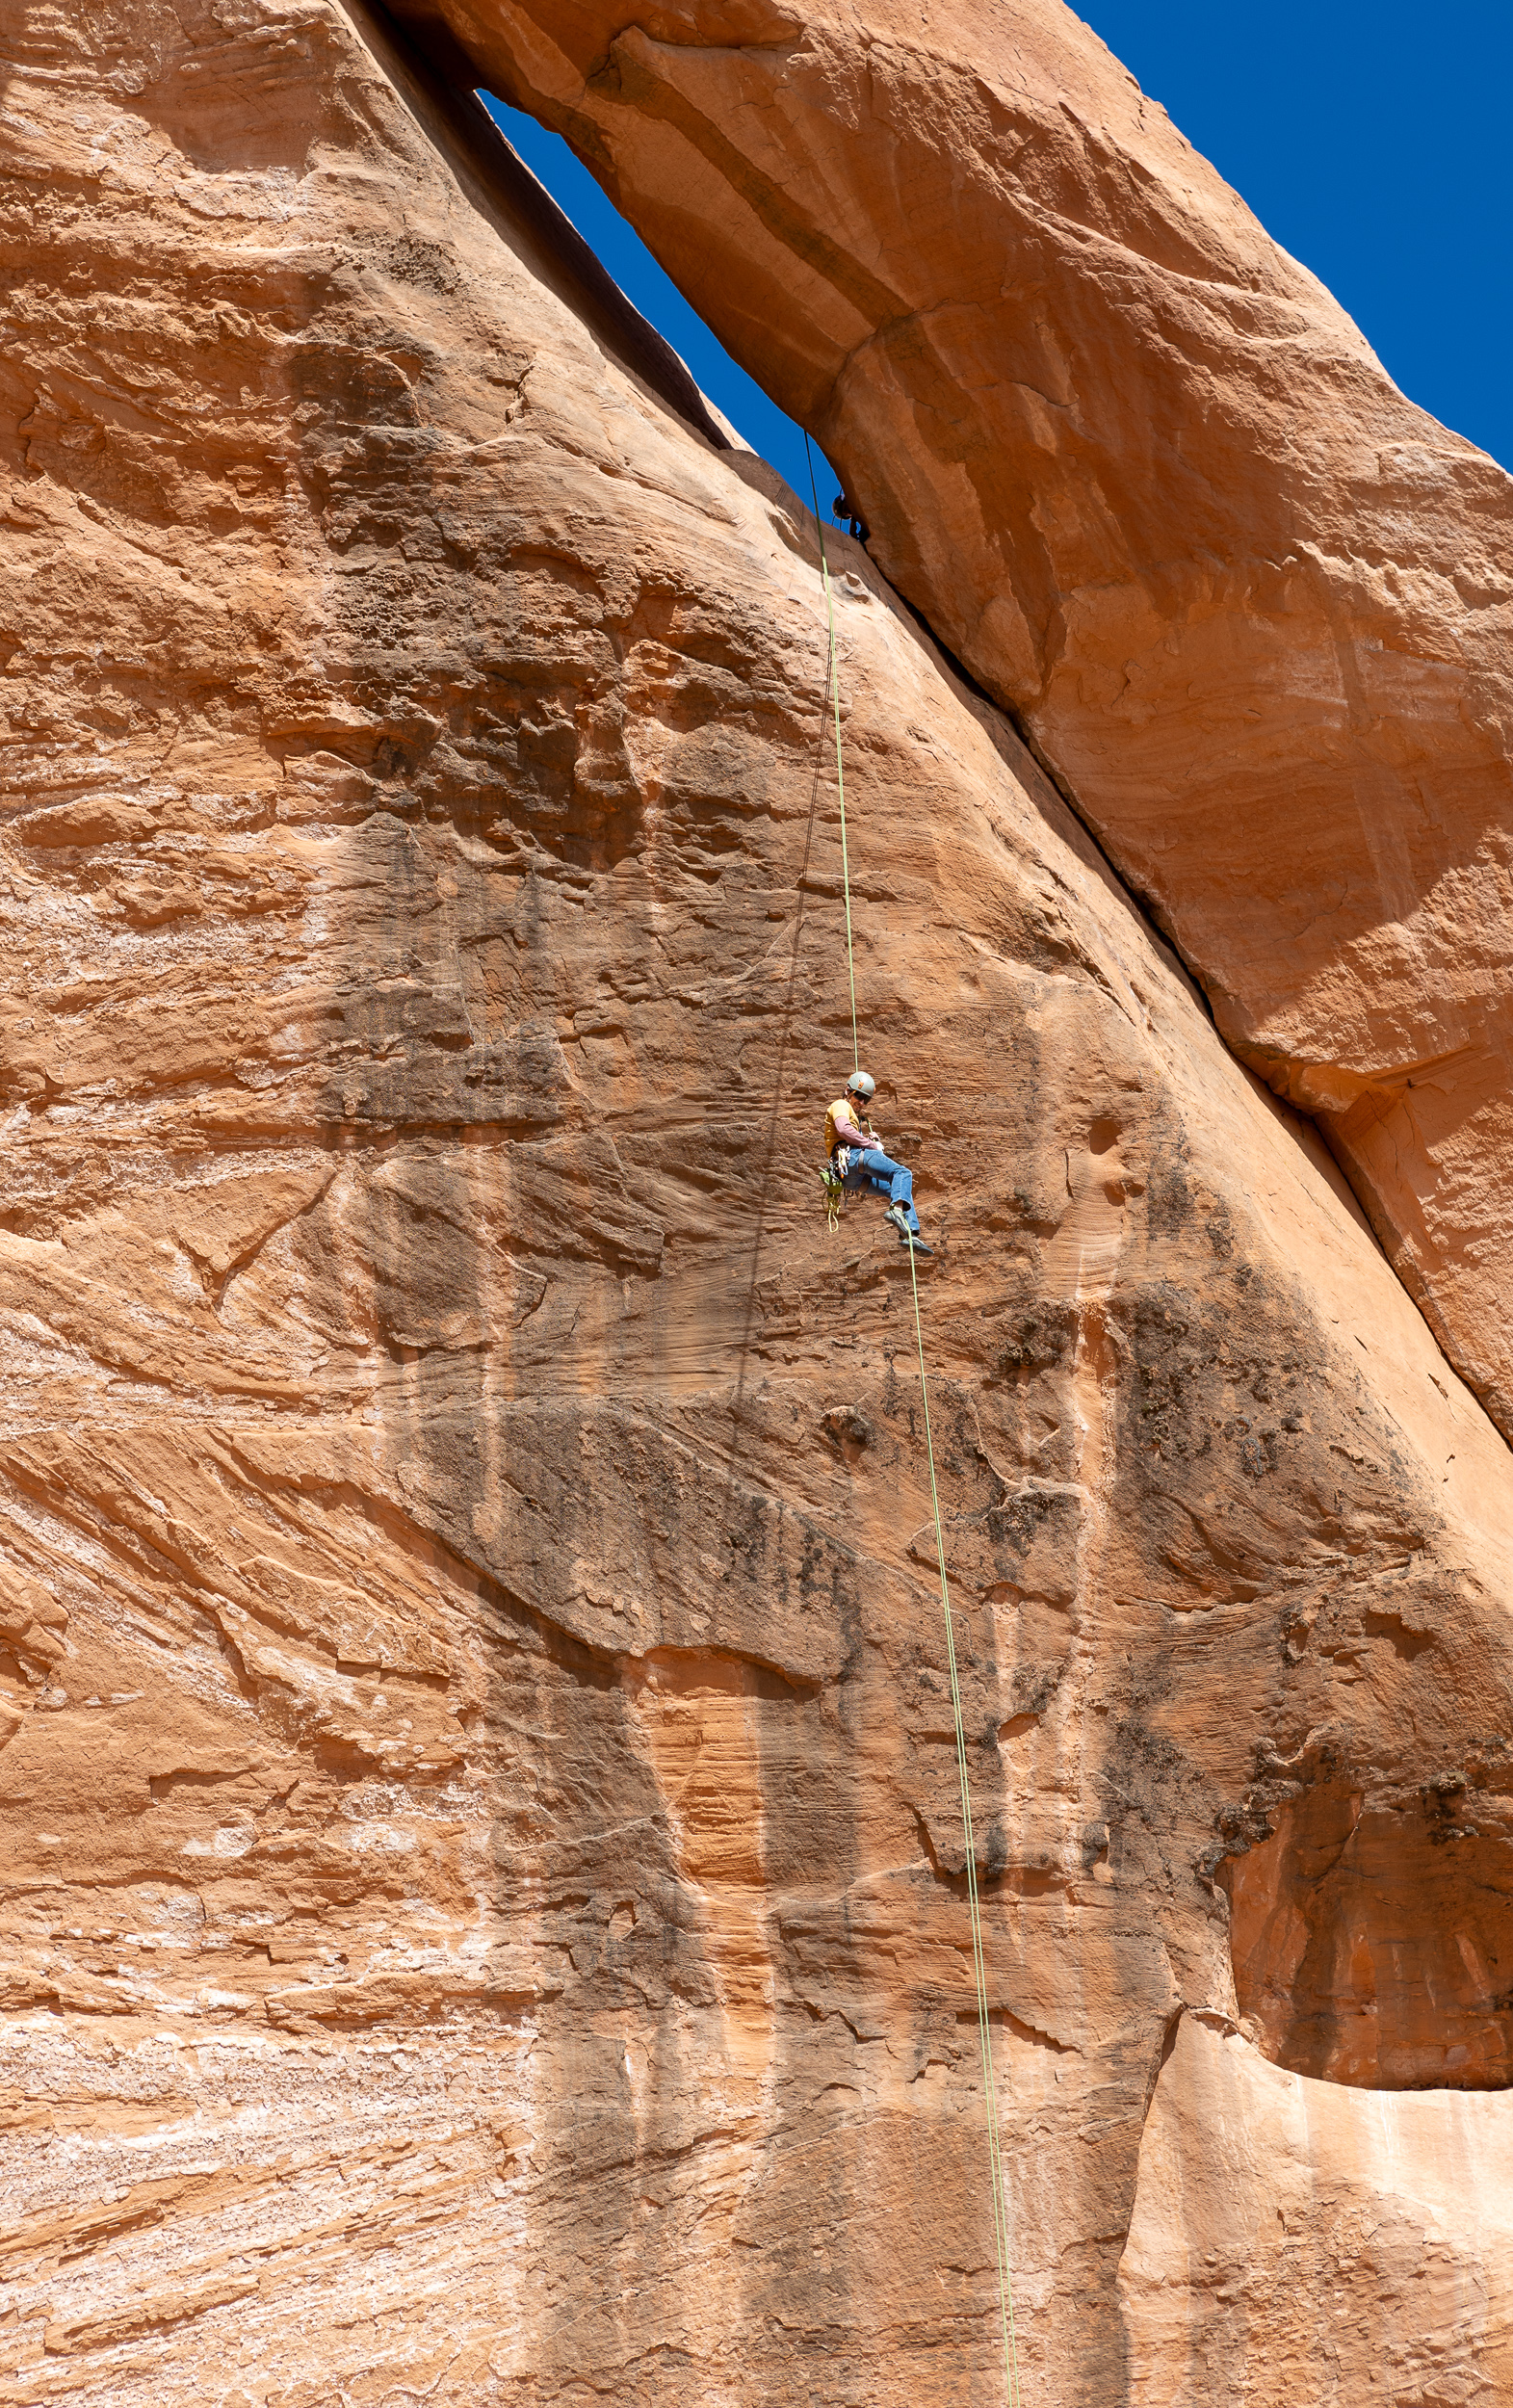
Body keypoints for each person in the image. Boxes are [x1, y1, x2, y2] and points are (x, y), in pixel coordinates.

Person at [824, 1070, 932, 1254]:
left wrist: (868, 1139)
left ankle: (910, 1234)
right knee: (903, 1173)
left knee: (898, 1189)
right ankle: (897, 1212)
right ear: (848, 1091)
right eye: (859, 1096)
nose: (862, 1102)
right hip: (852, 1159)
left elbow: (848, 1135)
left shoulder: (852, 1113)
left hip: (850, 1178)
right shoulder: (840, 1104)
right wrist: (872, 1145)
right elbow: (843, 1129)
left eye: (866, 1100)